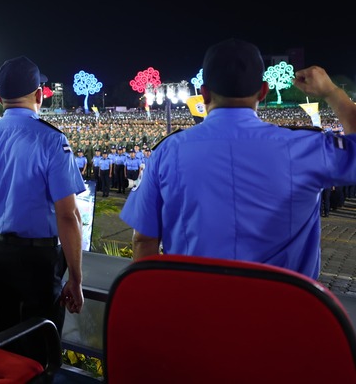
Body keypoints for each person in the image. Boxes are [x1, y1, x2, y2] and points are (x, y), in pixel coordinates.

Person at [120, 39, 356, 280]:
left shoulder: (167, 152)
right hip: (283, 311)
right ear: (263, 92)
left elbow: (144, 239)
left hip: (194, 308)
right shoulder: (304, 147)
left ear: (204, 93)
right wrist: (332, 92)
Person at [0, 56, 85, 364]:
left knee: (2, 348)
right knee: (41, 351)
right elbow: (68, 215)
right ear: (39, 95)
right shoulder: (52, 140)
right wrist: (76, 279)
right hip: (38, 262)